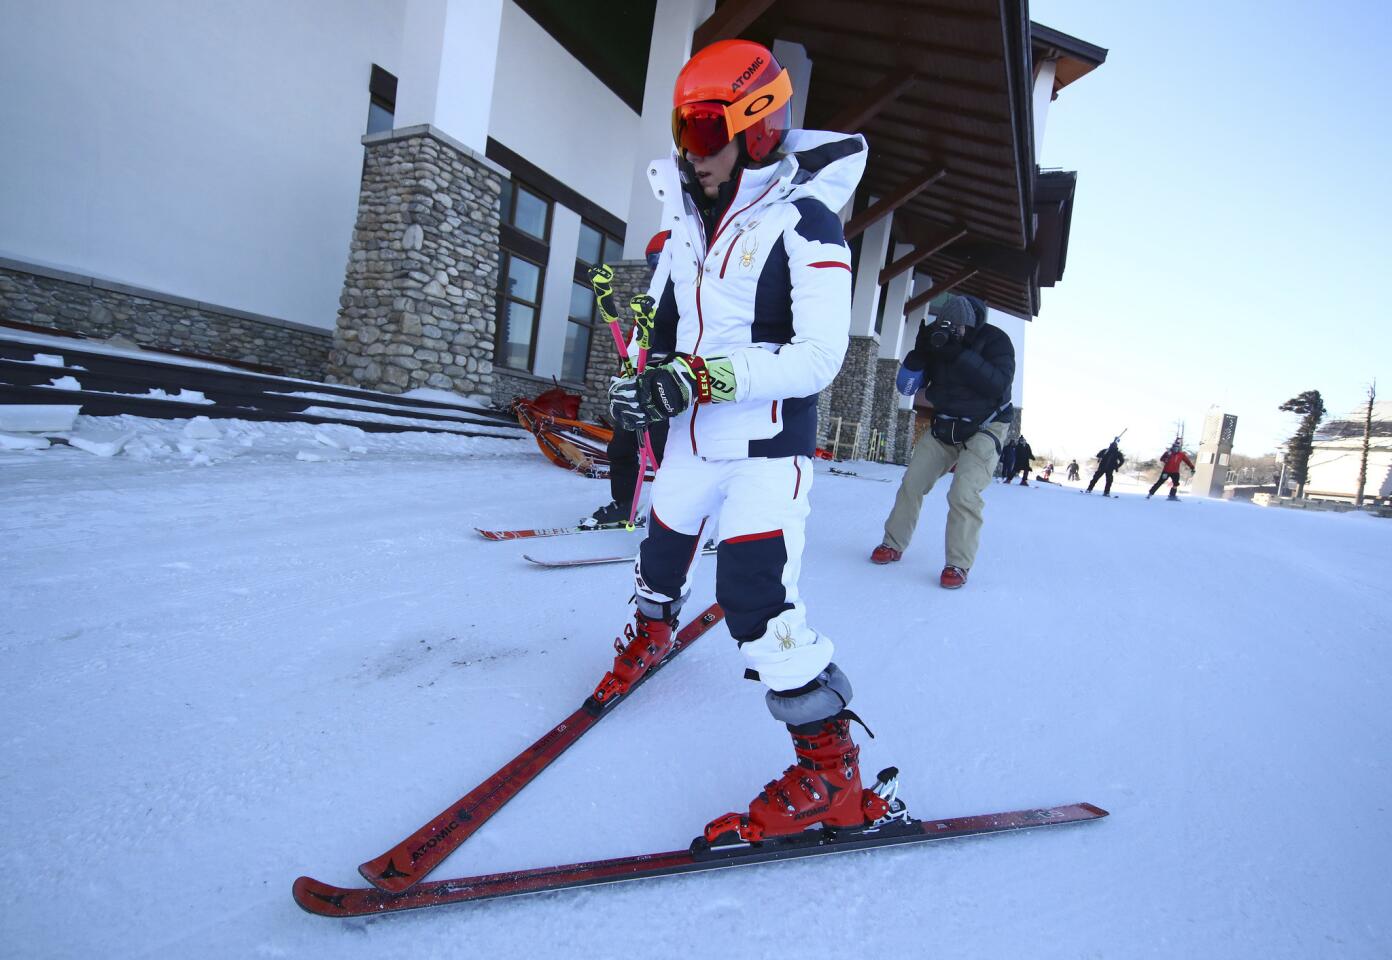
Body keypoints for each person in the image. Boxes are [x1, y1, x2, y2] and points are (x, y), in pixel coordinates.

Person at [598, 39, 888, 844]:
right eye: (683, 133)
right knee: (657, 558)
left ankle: (830, 773)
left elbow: (820, 358)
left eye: (702, 133)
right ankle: (651, 636)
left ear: (756, 128)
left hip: (764, 447)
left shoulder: (808, 222)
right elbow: (657, 324)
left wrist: (705, 378)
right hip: (689, 442)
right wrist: (642, 379)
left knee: (758, 598)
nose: (691, 155)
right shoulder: (684, 222)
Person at [870, 294, 1014, 589]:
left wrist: (959, 354)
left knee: (963, 493)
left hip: (985, 425)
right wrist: (918, 355)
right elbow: (906, 387)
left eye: (959, 327)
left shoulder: (996, 341)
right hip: (944, 426)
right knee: (912, 483)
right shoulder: (937, 340)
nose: (952, 331)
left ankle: (958, 564)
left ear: (972, 326)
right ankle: (893, 543)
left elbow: (998, 384)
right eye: (948, 325)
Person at [584, 232, 676, 528]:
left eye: (663, 259)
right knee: (621, 449)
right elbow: (633, 342)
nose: (658, 267)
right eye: (654, 262)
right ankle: (625, 504)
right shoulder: (652, 297)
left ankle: (677, 516)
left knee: (664, 456)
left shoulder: (694, 297)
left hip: (667, 388)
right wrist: (623, 377)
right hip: (637, 384)